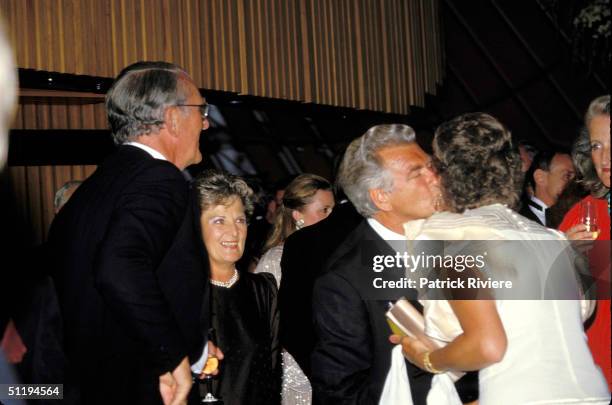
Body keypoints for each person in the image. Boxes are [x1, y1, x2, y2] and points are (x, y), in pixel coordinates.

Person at [396, 113, 610, 404]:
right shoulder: (552, 239)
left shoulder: (446, 236)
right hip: (594, 392)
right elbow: (583, 310)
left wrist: (428, 358)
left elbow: (476, 341)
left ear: (442, 173)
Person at [47, 61, 211, 405]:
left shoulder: (92, 190)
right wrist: (172, 353)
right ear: (172, 118)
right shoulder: (160, 179)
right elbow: (119, 268)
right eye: (201, 109)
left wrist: (194, 349)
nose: (207, 122)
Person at [310, 124, 439, 404]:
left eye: (431, 167)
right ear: (381, 196)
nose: (436, 178)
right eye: (418, 173)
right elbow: (341, 393)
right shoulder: (344, 281)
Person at [195, 169, 280, 405]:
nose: (234, 232)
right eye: (219, 220)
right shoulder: (179, 294)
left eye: (240, 220)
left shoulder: (262, 290)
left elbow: (272, 377)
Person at [254, 173, 334, 404]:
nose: (331, 217)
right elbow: (264, 327)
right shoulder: (274, 261)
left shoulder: (333, 257)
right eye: (324, 210)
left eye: (333, 210)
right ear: (298, 215)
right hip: (294, 371)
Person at [559, 94, 611, 390]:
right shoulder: (582, 214)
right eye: (597, 145)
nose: (605, 159)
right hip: (594, 373)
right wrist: (560, 255)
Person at [519, 150, 575, 226]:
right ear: (540, 178)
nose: (574, 183)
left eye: (576, 178)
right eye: (567, 176)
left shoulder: (574, 216)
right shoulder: (517, 219)